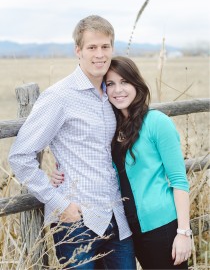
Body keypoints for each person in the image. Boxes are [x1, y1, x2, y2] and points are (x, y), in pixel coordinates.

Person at [8, 16, 136, 269]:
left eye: (105, 47)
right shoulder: (59, 96)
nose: (99, 54)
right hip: (77, 222)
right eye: (92, 47)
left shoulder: (110, 94)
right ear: (78, 51)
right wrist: (59, 203)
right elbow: (20, 156)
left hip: (116, 218)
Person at [52, 56, 192, 269]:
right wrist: (60, 174)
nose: (118, 90)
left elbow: (179, 181)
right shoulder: (113, 127)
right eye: (110, 84)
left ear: (136, 84)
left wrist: (183, 233)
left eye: (125, 81)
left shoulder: (157, 122)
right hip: (129, 229)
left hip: (162, 227)